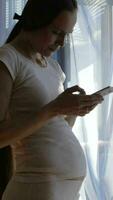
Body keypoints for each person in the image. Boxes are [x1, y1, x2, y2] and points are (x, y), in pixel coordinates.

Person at [0, 0, 103, 199]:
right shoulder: (8, 60)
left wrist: (73, 111)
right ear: (34, 21)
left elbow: (48, 131)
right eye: (56, 32)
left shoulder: (53, 68)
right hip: (35, 189)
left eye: (67, 35)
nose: (62, 42)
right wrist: (54, 108)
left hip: (64, 190)